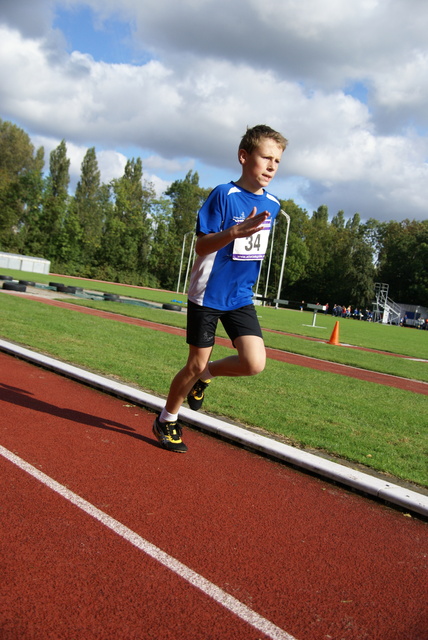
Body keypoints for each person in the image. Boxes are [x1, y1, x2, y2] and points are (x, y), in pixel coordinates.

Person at [153, 124, 288, 452]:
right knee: (194, 363)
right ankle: (166, 419)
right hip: (208, 293)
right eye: (265, 158)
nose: (272, 166)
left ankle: (206, 376)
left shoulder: (273, 205)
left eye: (278, 161)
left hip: (240, 296)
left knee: (254, 363)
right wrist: (233, 232)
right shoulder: (222, 196)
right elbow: (200, 248)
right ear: (244, 157)